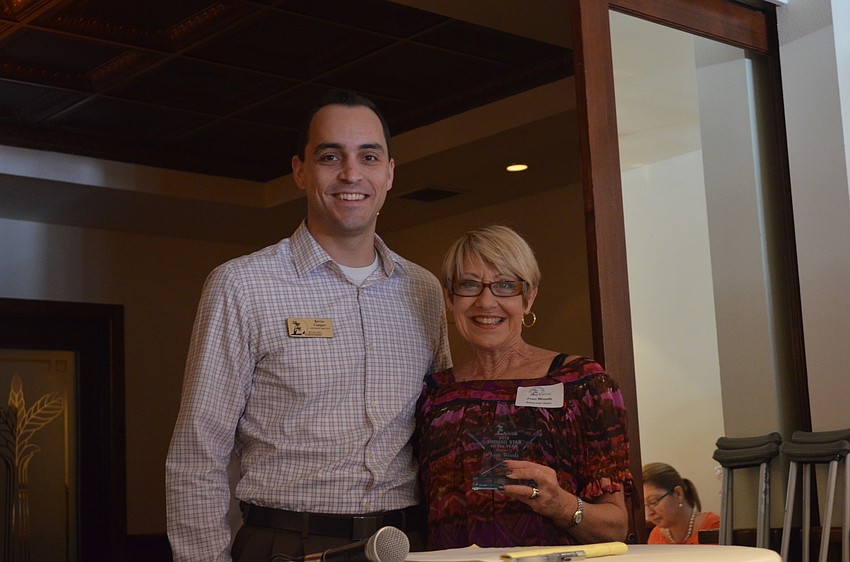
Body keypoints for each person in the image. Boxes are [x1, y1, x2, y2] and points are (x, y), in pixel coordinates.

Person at [166, 90, 451, 562]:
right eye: (330, 156)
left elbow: (438, 430)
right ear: (300, 170)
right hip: (283, 546)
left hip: (405, 546)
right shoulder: (242, 284)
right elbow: (199, 452)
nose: (351, 174)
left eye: (368, 156)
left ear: (389, 173)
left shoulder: (422, 290)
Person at [415, 225, 632, 549]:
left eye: (505, 286)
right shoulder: (434, 394)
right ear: (450, 298)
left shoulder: (581, 384)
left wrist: (562, 505)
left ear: (528, 298)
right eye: (470, 285)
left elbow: (615, 527)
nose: (486, 302)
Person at [643, 462, 720, 544]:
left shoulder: (714, 527)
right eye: (644, 505)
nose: (649, 513)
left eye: (653, 502)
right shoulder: (656, 535)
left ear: (678, 493)